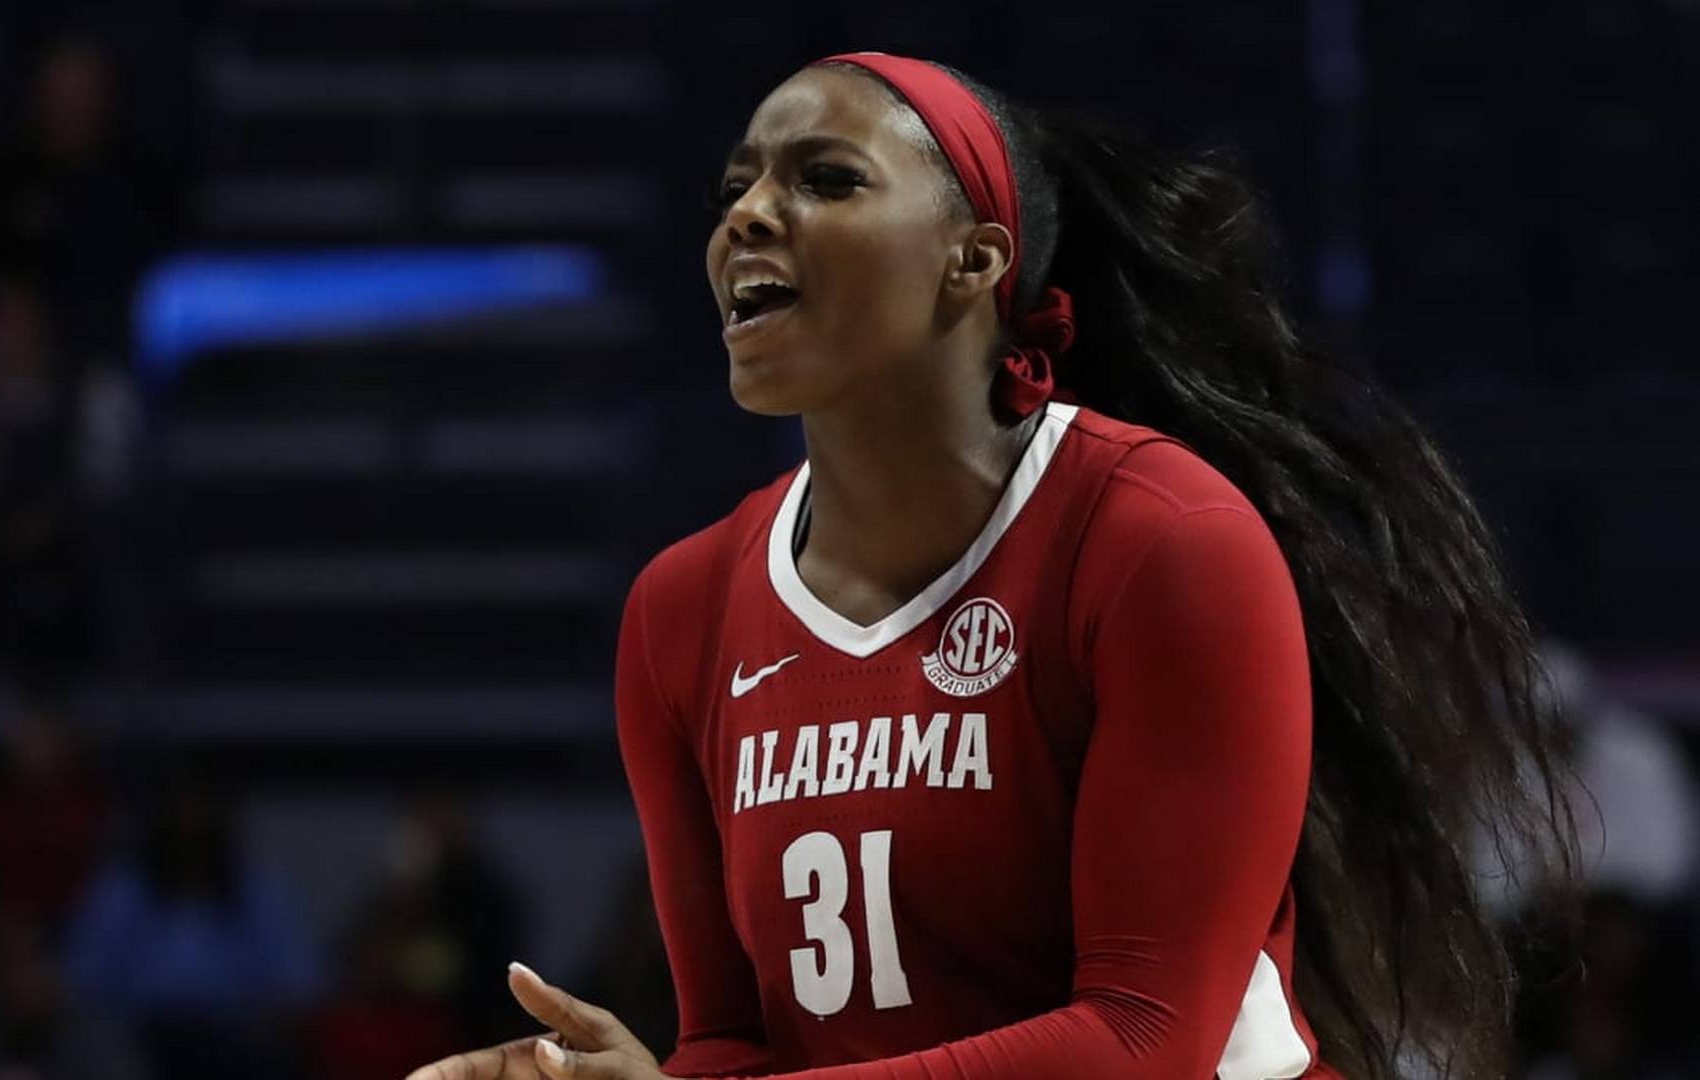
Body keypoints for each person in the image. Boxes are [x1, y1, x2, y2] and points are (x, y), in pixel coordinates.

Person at [406, 53, 1576, 1080]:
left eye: (825, 179)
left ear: (973, 261)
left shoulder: (1161, 540)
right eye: (736, 189)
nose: (748, 215)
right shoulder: (682, 609)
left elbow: (1144, 1044)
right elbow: (733, 1044)